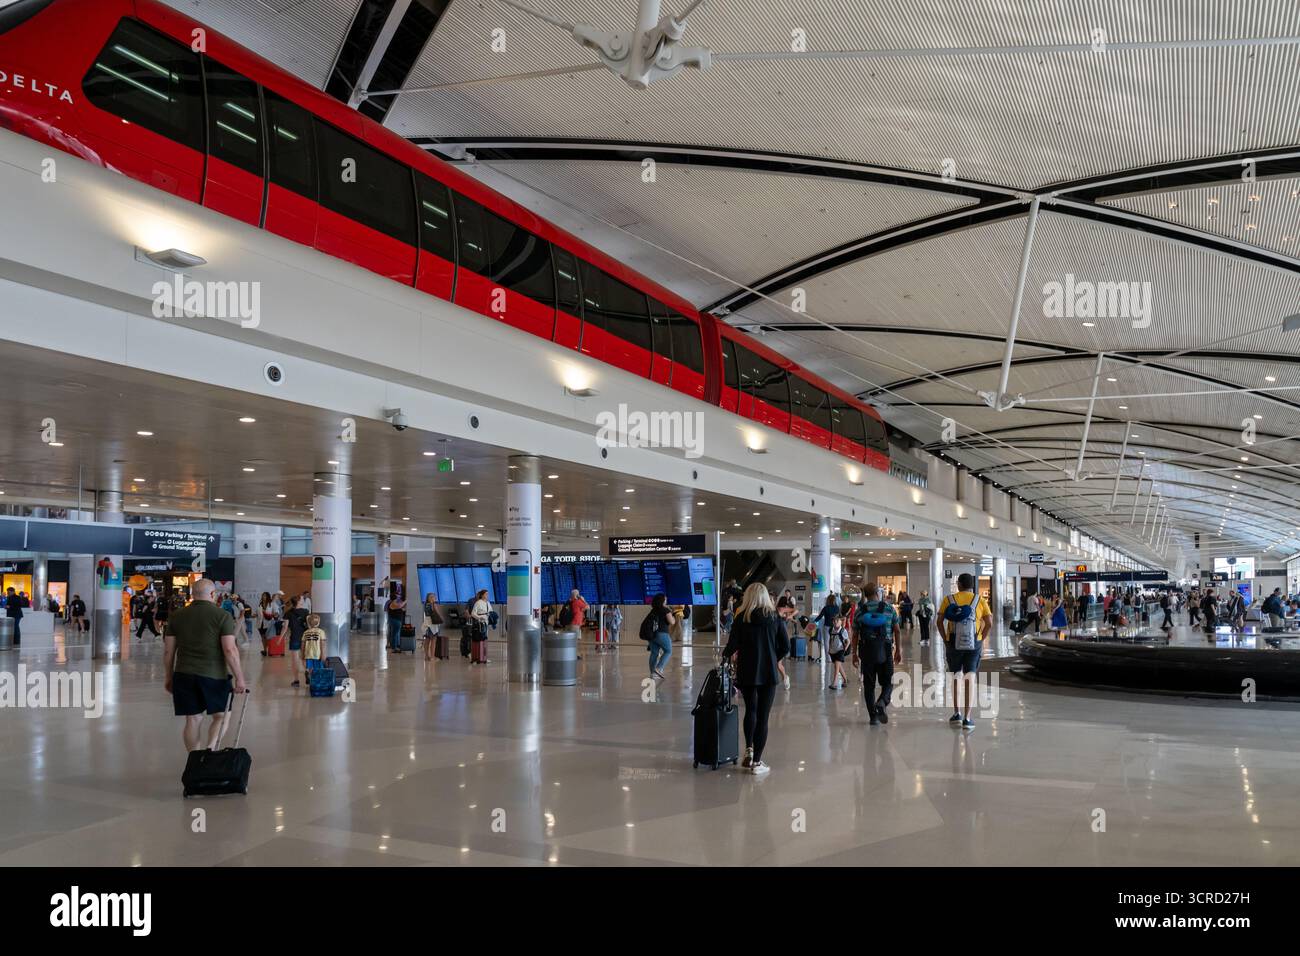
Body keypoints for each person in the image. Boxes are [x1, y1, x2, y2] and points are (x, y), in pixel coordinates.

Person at [163, 578, 247, 753]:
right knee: (221, 715)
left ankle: (194, 758)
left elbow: (168, 652)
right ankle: (209, 751)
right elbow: (230, 650)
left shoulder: (176, 616)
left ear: (193, 594)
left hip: (184, 674)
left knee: (193, 719)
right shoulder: (222, 616)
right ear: (212, 594)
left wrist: (169, 677)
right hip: (214, 675)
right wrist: (240, 678)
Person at [721, 582, 788, 776]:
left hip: (747, 671)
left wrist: (727, 656)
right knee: (763, 717)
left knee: (750, 710)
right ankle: (757, 762)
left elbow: (732, 645)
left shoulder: (741, 617)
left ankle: (748, 750)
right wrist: (774, 657)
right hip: (768, 672)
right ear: (766, 597)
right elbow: (785, 645)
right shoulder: (775, 618)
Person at [940, 573, 994, 730]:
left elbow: (938, 621)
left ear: (959, 584)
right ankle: (968, 718)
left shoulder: (948, 600)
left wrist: (945, 639)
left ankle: (956, 714)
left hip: (953, 642)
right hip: (974, 642)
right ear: (972, 585)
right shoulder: (979, 600)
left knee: (956, 675)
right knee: (970, 676)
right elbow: (989, 622)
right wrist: (981, 639)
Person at [853, 585, 901, 725]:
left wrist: (854, 654)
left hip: (866, 650)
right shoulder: (889, 608)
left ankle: (873, 717)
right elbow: (897, 630)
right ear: (877, 593)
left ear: (866, 595)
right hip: (885, 649)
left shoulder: (859, 611)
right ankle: (881, 702)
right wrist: (898, 650)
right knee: (888, 682)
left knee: (869, 685)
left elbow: (855, 635)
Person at [645, 593, 676, 679]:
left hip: (652, 635)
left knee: (654, 653)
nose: (666, 601)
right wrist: (673, 615)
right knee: (668, 651)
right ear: (662, 601)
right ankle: (659, 669)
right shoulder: (665, 610)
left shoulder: (653, 610)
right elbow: (672, 622)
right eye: (665, 600)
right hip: (662, 634)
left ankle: (653, 673)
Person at [285, 595, 310, 686]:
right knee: (304, 657)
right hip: (305, 637)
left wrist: (280, 638)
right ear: (299, 602)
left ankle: (296, 680)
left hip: (294, 637)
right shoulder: (306, 612)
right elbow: (310, 624)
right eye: (302, 599)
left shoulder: (288, 613)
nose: (303, 599)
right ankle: (307, 671)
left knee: (295, 659)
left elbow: (285, 627)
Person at [826, 613, 851, 690]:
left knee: (836, 667)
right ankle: (846, 679)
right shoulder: (831, 630)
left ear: (841, 621)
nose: (835, 622)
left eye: (837, 620)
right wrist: (829, 649)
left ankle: (835, 683)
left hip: (840, 650)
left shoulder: (843, 631)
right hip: (833, 651)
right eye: (834, 621)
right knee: (839, 667)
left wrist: (845, 649)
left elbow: (848, 641)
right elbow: (830, 640)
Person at [469, 589, 492, 664]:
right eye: (485, 594)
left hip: (486, 623)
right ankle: (477, 657)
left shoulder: (488, 603)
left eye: (487, 594)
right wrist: (479, 618)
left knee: (485, 640)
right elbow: (473, 613)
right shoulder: (478, 603)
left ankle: (484, 657)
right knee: (479, 640)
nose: (487, 596)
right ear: (482, 595)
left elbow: (490, 612)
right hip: (479, 624)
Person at [301, 613, 326, 680]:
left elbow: (303, 645)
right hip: (317, 654)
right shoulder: (321, 632)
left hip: (308, 653)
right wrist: (323, 654)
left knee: (310, 667)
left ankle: (309, 676)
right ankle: (317, 681)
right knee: (319, 668)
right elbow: (322, 644)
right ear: (318, 623)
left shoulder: (305, 632)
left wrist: (302, 654)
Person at [421, 593, 442, 661]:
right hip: (432, 624)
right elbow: (436, 612)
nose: (433, 598)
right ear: (428, 598)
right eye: (431, 597)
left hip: (426, 624)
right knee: (433, 641)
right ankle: (432, 656)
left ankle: (426, 656)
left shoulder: (425, 605)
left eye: (433, 597)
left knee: (427, 640)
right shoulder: (432, 605)